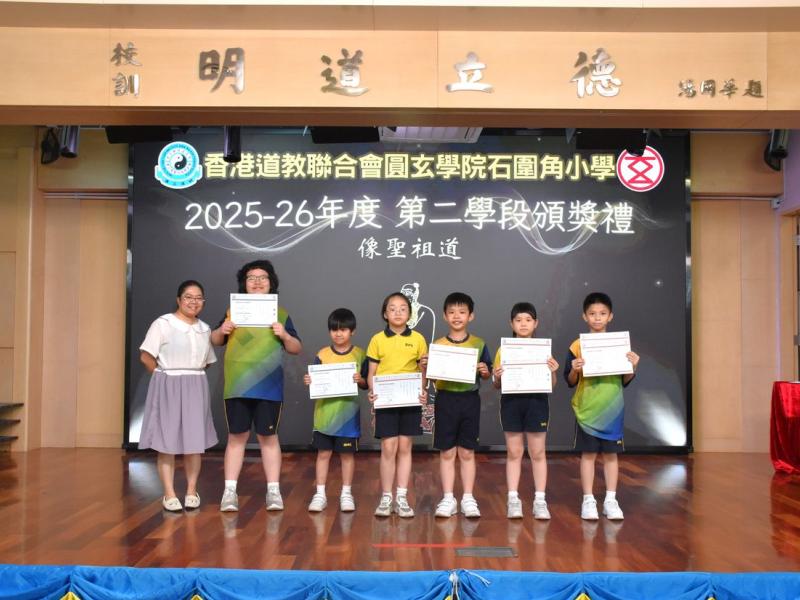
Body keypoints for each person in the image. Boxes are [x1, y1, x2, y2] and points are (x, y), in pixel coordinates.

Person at [211, 260, 302, 512]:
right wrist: (222, 329)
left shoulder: (280, 314)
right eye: (252, 277)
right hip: (238, 386)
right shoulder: (233, 311)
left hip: (268, 387)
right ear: (244, 283)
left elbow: (296, 348)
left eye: (263, 277)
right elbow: (215, 339)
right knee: (236, 437)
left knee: (268, 437)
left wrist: (284, 335)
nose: (258, 282)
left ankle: (273, 491)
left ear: (271, 283)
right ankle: (230, 492)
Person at [138, 280, 219, 512]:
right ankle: (169, 493)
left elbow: (207, 362)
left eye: (198, 298)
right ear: (178, 300)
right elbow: (146, 356)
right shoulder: (163, 323)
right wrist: (163, 377)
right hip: (168, 383)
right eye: (188, 297)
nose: (194, 302)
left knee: (194, 442)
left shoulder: (205, 329)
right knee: (167, 441)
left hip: (196, 384)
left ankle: (192, 491)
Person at [564, 292, 639, 521]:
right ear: (584, 316)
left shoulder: (620, 345)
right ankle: (588, 500)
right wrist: (575, 369)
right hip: (586, 410)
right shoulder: (577, 345)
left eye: (602, 313)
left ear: (610, 316)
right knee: (588, 455)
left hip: (612, 410)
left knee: (611, 456)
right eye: (592, 314)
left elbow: (625, 380)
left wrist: (633, 367)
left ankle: (610, 500)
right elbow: (570, 381)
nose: (597, 318)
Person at [426, 292, 492, 519]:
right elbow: (432, 378)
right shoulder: (438, 345)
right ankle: (448, 498)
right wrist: (427, 367)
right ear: (445, 316)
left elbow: (486, 374)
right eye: (452, 312)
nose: (457, 316)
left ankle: (468, 498)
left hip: (469, 400)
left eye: (462, 312)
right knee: (447, 452)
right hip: (445, 399)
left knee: (466, 451)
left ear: (470, 316)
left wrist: (484, 371)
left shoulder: (478, 343)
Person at [492, 302, 559, 520]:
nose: (523, 324)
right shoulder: (503, 350)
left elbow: (552, 384)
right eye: (519, 320)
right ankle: (513, 499)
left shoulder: (543, 349)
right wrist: (497, 376)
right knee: (514, 452)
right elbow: (496, 384)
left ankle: (540, 500)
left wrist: (553, 371)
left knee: (538, 452)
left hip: (537, 403)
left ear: (535, 323)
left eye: (528, 320)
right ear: (511, 323)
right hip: (511, 403)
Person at [366, 292, 428, 518]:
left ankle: (401, 497)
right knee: (388, 447)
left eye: (403, 308)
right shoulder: (377, 339)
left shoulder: (418, 339)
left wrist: (423, 390)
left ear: (410, 313)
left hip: (410, 401)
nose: (398, 312)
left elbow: (423, 372)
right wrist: (372, 392)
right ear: (385, 314)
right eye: (392, 308)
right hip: (386, 401)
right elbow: (371, 373)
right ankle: (386, 497)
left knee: (405, 447)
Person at [302, 308, 368, 512]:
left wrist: (360, 379)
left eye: (343, 329)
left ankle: (346, 493)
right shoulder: (322, 354)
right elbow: (314, 382)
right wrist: (309, 381)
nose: (338, 334)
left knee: (347, 456)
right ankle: (320, 494)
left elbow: (366, 384)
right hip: (323, 416)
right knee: (323, 454)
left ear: (352, 331)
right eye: (334, 330)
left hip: (348, 418)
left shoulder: (360, 354)